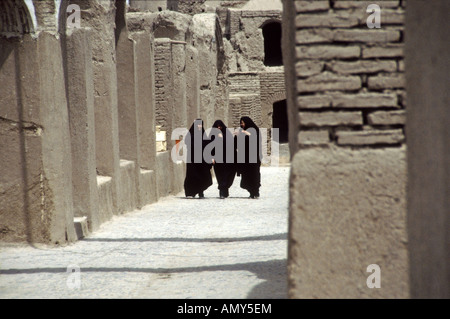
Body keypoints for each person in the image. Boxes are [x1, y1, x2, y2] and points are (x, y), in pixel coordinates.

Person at [183, 119, 212, 198]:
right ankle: (191, 192)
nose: (199, 126)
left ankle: (200, 191)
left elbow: (208, 145)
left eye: (201, 124)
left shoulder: (204, 135)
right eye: (198, 124)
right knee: (192, 175)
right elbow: (187, 142)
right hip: (192, 159)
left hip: (202, 160)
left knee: (202, 175)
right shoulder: (190, 135)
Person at [236, 116, 262, 199]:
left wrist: (247, 134)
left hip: (254, 157)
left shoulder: (255, 130)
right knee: (246, 175)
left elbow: (257, 141)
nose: (242, 124)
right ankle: (251, 192)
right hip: (245, 158)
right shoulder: (241, 131)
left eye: (243, 123)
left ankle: (256, 191)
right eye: (241, 123)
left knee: (255, 174)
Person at [210, 120, 237, 199]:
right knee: (220, 176)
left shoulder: (227, 134)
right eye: (217, 126)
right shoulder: (212, 135)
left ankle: (224, 191)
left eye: (220, 126)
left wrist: (222, 138)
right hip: (218, 160)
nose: (218, 128)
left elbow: (231, 145)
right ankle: (222, 192)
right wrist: (211, 157)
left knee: (227, 176)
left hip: (228, 159)